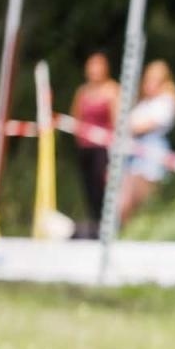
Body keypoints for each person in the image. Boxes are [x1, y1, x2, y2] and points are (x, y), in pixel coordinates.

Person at [116, 60, 175, 228]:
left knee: (138, 205)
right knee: (124, 205)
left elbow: (138, 126)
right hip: (134, 158)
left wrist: (128, 126)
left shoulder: (166, 102)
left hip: (150, 158)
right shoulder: (145, 103)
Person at [69, 52, 118, 238]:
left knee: (102, 185)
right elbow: (76, 117)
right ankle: (94, 223)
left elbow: (116, 120)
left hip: (103, 149)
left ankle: (106, 223)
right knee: (88, 186)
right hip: (85, 147)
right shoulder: (83, 91)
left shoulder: (112, 90)